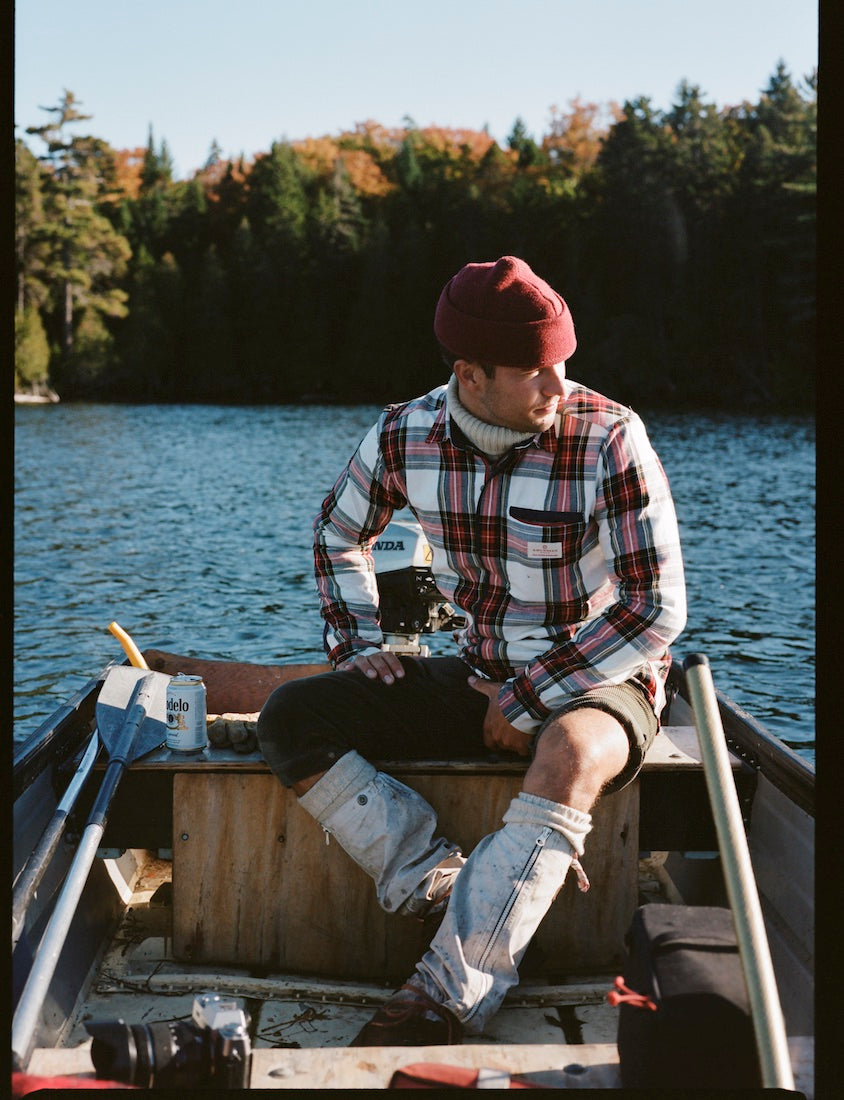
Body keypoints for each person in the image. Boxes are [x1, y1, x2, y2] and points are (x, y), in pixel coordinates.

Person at [257, 255, 687, 1046]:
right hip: (481, 672)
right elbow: (337, 531)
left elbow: (654, 608)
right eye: (535, 373)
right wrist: (358, 644)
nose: (559, 387)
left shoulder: (610, 437)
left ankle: (447, 993)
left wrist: (528, 701)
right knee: (291, 718)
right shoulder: (403, 432)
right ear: (471, 374)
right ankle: (440, 885)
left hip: (601, 675)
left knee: (566, 746)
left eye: (563, 364)